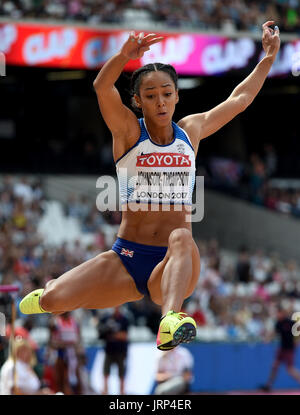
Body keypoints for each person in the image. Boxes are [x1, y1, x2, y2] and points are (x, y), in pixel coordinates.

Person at [19, 22, 281, 352]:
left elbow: (240, 99)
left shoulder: (191, 131)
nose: (160, 102)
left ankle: (170, 319)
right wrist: (123, 56)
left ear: (177, 96)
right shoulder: (129, 133)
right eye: (151, 96)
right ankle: (52, 293)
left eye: (167, 94)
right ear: (138, 101)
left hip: (177, 261)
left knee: (182, 234)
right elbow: (102, 87)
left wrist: (268, 57)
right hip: (127, 257)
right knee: (53, 299)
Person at [260, 307, 300, 392]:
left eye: (278, 313)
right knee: (275, 366)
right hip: (282, 348)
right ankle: (268, 386)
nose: (277, 315)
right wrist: (267, 338)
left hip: (289, 348)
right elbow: (273, 332)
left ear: (282, 313)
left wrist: (297, 340)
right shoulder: (278, 323)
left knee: (290, 369)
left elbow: (298, 330)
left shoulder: (290, 322)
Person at [98, 307, 129, 395]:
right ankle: (105, 391)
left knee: (121, 374)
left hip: (120, 350)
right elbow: (100, 334)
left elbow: (124, 336)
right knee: (106, 373)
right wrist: (109, 332)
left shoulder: (124, 319)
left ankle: (122, 392)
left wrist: (111, 335)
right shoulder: (106, 319)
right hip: (109, 350)